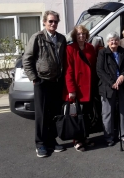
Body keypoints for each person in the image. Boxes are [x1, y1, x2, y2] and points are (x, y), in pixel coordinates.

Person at [23, 10, 67, 158]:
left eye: (55, 21)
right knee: (42, 114)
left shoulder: (61, 38)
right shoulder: (37, 37)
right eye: (50, 21)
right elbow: (27, 59)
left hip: (56, 81)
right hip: (42, 81)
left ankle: (52, 140)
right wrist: (33, 78)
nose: (53, 24)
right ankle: (40, 144)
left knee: (54, 114)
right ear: (44, 22)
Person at [64, 25, 97, 151]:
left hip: (88, 87)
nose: (81, 36)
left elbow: (93, 66)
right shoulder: (70, 49)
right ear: (75, 36)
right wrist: (71, 89)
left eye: (83, 34)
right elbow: (68, 71)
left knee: (86, 114)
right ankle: (76, 140)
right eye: (78, 34)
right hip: (77, 88)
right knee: (76, 115)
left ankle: (84, 137)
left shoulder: (90, 48)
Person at [96, 32, 124, 146]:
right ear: (107, 42)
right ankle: (109, 137)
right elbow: (100, 71)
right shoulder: (102, 53)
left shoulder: (122, 51)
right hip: (108, 86)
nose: (114, 42)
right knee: (107, 113)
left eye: (116, 40)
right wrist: (112, 83)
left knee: (123, 111)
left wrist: (122, 76)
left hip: (122, 84)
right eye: (111, 40)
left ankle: (123, 135)